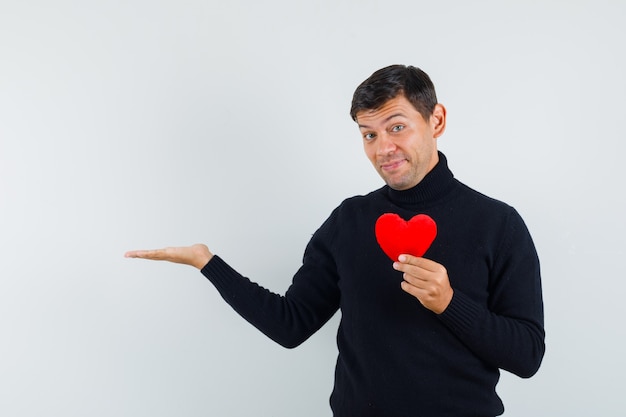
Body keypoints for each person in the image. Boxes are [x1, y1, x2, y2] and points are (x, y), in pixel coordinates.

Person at [125, 64, 545, 417]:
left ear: (436, 120)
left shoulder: (498, 224)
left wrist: (450, 304)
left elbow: (527, 357)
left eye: (396, 127)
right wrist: (207, 262)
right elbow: (291, 325)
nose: (384, 148)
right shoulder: (349, 221)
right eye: (369, 134)